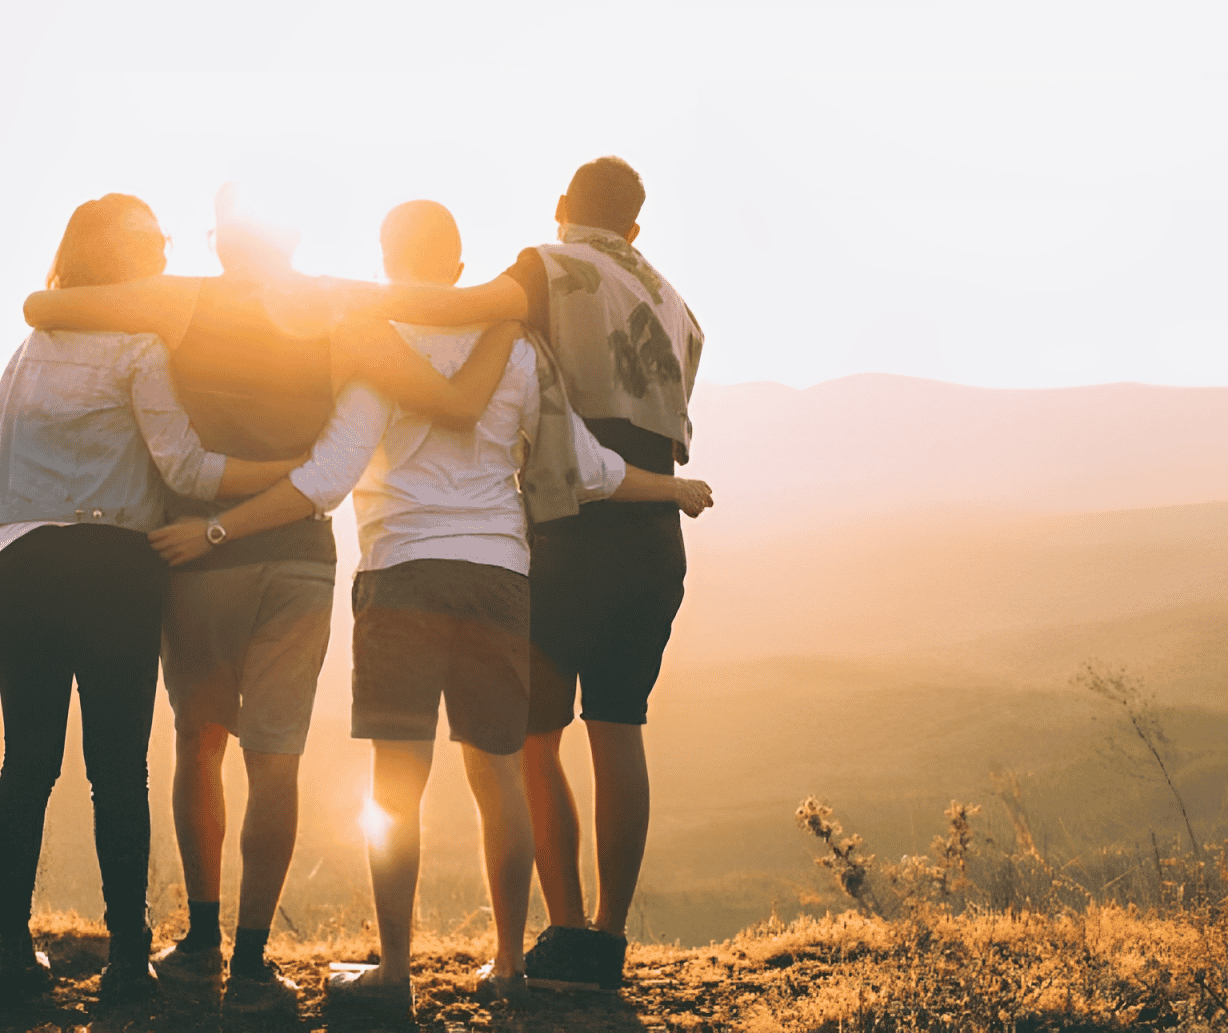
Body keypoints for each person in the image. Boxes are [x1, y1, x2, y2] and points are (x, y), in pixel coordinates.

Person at [148, 198, 711, 1019]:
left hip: (401, 574)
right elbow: (587, 468)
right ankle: (511, 966)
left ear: (386, 259)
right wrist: (674, 489)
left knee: (396, 786)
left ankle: (395, 972)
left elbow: (326, 479)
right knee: (499, 780)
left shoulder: (376, 345)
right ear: (457, 268)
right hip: (499, 577)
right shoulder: (517, 348)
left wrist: (218, 527)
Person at [20, 188, 527, 1014]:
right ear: (294, 235)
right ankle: (255, 963)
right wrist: (507, 309)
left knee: (199, 743)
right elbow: (434, 349)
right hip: (301, 557)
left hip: (198, 555)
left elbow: (49, 302)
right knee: (277, 758)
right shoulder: (336, 305)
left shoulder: (181, 298)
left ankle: (201, 943)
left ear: (223, 242)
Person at [338, 158, 703, 989]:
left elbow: (457, 309)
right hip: (649, 528)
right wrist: (676, 489)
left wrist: (341, 299)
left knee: (530, 741)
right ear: (637, 228)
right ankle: (604, 942)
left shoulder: (549, 267)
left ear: (564, 207)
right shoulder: (678, 305)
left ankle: (562, 931)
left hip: (567, 522)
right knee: (620, 727)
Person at [0, 195, 308, 1007]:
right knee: (117, 771)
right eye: (155, 242)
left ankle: (5, 953)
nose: (168, 254)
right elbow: (186, 470)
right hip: (114, 572)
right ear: (127, 259)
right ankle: (130, 961)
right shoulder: (140, 347)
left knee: (24, 766)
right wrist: (285, 478)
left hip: (22, 567)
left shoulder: (30, 350)